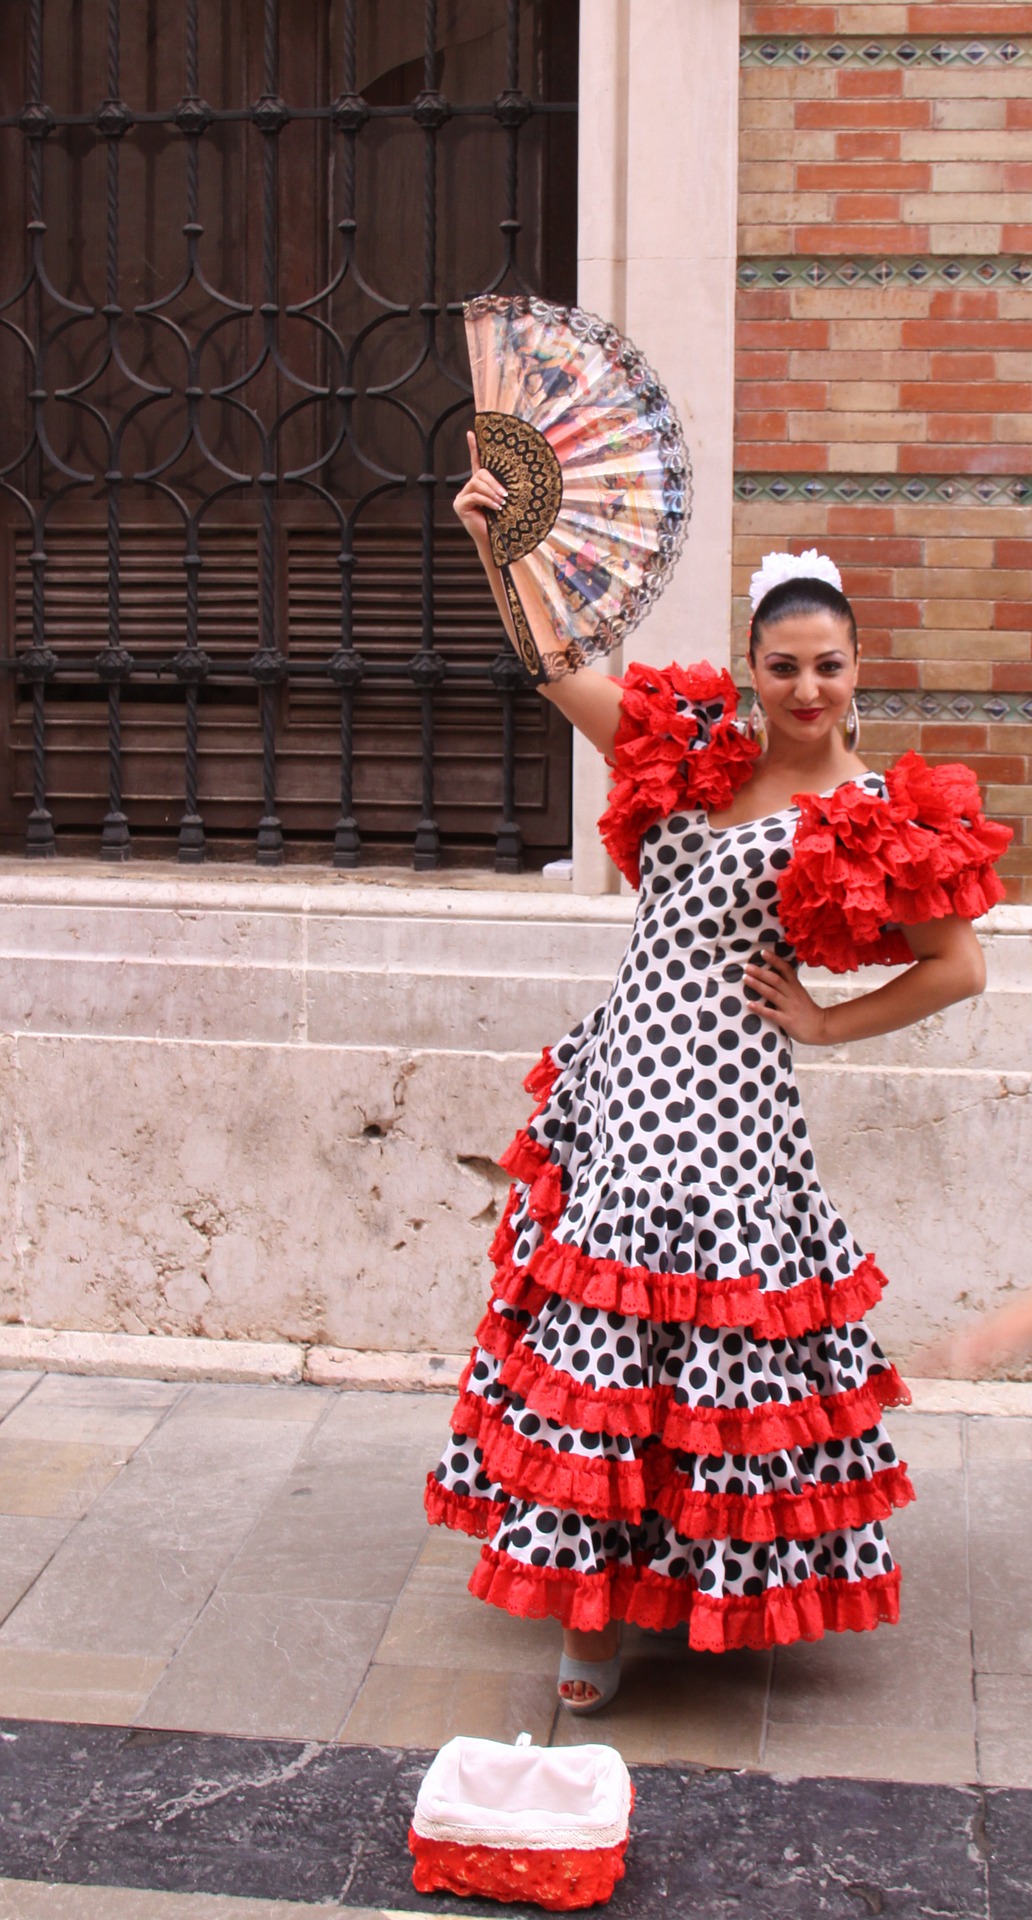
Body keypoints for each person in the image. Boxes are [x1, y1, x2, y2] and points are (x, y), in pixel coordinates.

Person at [425, 432, 1012, 1713]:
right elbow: (559, 665)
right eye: (785, 666)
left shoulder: (872, 810)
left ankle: (694, 1589)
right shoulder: (691, 756)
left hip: (731, 1104)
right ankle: (594, 1614)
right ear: (752, 669)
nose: (808, 688)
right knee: (602, 1336)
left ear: (859, 674)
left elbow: (960, 967)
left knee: (700, 1340)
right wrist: (494, 541)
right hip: (625, 1069)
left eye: (829, 667)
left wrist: (826, 1024)